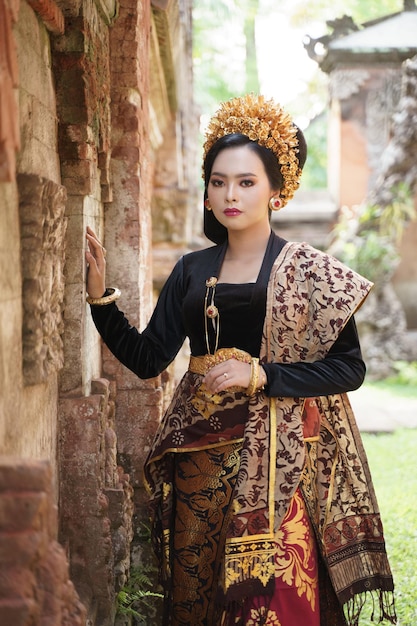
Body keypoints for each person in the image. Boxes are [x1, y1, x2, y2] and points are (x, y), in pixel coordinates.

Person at [85, 94, 396, 626]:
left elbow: (350, 368)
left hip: (277, 459)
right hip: (198, 459)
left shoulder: (311, 271)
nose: (231, 194)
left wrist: (263, 374)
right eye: (219, 181)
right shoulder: (189, 270)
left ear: (277, 191)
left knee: (273, 599)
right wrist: (100, 301)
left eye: (246, 182)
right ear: (207, 192)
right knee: (201, 595)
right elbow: (147, 358)